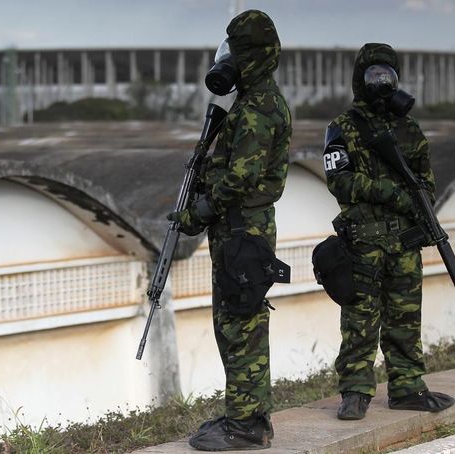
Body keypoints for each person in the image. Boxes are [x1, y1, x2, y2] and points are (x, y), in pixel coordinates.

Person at [168, 9, 291, 451]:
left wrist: (199, 211)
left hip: (244, 229)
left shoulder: (259, 108)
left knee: (242, 322)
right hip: (238, 230)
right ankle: (245, 411)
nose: (228, 61)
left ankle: (247, 426)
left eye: (236, 53)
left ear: (253, 57)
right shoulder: (248, 102)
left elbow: (239, 179)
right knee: (233, 321)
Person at [323, 43, 455, 421]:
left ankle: (408, 386)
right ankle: (355, 392)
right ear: (359, 80)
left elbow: (426, 187)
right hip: (362, 242)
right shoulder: (343, 127)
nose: (381, 82)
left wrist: (415, 204)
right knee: (359, 320)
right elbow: (340, 181)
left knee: (404, 318)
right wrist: (389, 192)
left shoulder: (409, 130)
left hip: (403, 242)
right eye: (373, 75)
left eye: (387, 74)